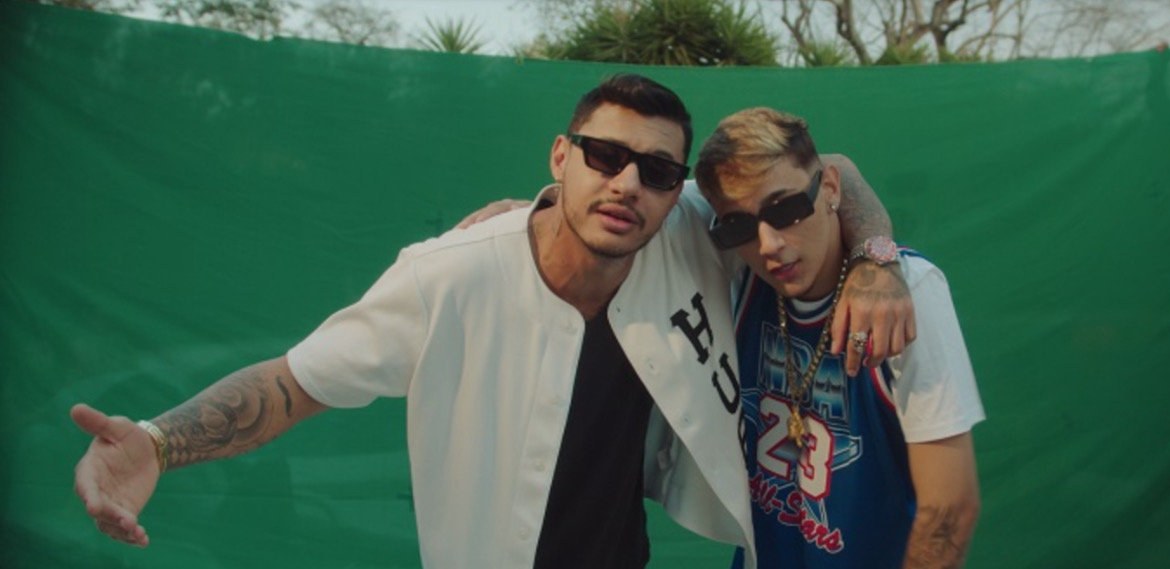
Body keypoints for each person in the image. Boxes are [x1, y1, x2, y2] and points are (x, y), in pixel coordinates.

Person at [71, 75, 914, 568]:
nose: (627, 182)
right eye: (604, 156)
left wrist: (876, 256)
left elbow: (828, 168)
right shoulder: (449, 274)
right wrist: (159, 442)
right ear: (560, 156)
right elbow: (294, 382)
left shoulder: (689, 226)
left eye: (657, 170)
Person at [692, 107, 985, 569]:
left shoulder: (906, 293)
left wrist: (875, 256)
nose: (769, 244)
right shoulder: (739, 271)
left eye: (785, 209)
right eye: (740, 226)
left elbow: (949, 508)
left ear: (829, 189)